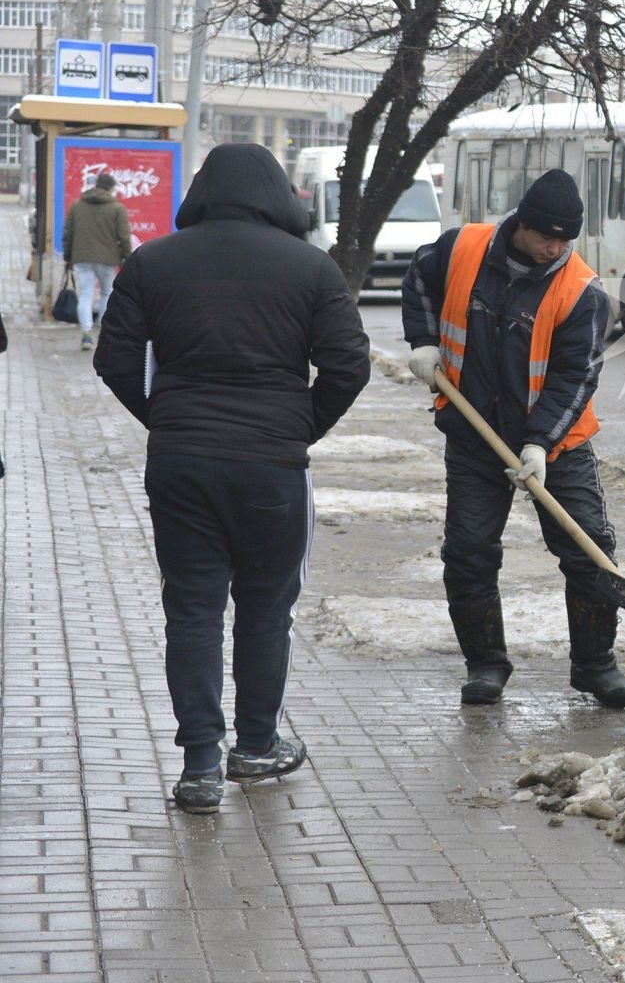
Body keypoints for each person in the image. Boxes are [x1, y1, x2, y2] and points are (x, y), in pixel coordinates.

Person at [94, 144, 371, 814]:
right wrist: (300, 427)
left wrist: (166, 418)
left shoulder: (155, 261)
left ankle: (199, 767)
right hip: (271, 465)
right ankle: (255, 745)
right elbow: (348, 366)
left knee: (191, 608)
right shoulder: (312, 267)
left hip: (181, 462)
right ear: (277, 193)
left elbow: (113, 360)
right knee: (265, 608)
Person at [399, 169, 625, 709]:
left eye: (564, 240)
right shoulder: (462, 248)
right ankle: (485, 665)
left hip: (558, 446)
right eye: (545, 236)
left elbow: (575, 378)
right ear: (521, 224)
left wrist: (539, 443)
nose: (553, 248)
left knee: (590, 554)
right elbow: (418, 277)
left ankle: (595, 666)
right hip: (473, 436)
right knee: (469, 554)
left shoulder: (582, 292)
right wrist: (422, 340)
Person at [64, 170, 134, 350]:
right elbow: (124, 237)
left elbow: (68, 233)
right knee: (107, 293)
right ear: (110, 188)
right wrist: (127, 258)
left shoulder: (77, 206)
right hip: (107, 258)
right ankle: (104, 333)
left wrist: (68, 256)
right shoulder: (117, 208)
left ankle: (86, 335)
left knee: (86, 294)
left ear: (96, 185)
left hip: (82, 257)